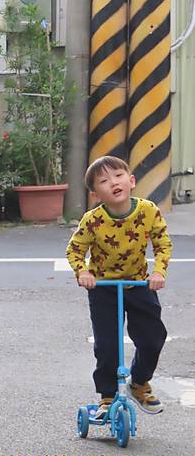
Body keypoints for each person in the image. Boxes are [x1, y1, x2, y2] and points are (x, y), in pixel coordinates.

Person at [66, 155, 172, 419]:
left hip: (138, 284)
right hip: (103, 288)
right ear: (95, 194)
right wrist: (84, 271)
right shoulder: (93, 220)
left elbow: (162, 244)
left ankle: (139, 383)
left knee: (152, 338)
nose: (113, 182)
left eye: (118, 176)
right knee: (107, 345)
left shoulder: (148, 211)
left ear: (131, 181)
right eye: (104, 180)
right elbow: (75, 250)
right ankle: (108, 396)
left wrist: (158, 271)